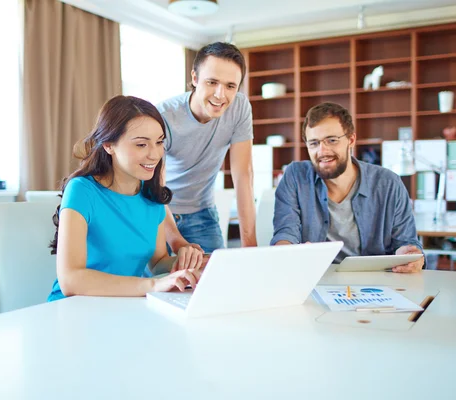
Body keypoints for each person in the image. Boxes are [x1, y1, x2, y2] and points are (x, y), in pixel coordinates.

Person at [48, 96, 203, 301]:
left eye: (159, 142)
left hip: (124, 305)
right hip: (74, 307)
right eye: (141, 145)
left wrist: (191, 263)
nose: (155, 154)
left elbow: (157, 263)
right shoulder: (82, 191)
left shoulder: (151, 195)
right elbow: (71, 280)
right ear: (109, 145)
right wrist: (154, 285)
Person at [271, 102, 424, 273]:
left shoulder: (388, 183)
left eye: (332, 140)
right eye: (314, 143)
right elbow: (286, 232)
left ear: (351, 140)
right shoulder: (295, 176)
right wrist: (286, 251)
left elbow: (406, 242)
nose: (322, 151)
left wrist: (408, 254)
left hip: (376, 282)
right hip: (315, 279)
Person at [157, 42, 257, 254]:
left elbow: (243, 176)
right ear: (195, 78)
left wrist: (250, 248)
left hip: (202, 214)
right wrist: (176, 242)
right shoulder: (163, 116)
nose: (220, 95)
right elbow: (155, 186)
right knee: (160, 283)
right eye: (212, 82)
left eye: (231, 86)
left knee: (218, 281)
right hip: (159, 213)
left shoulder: (239, 108)